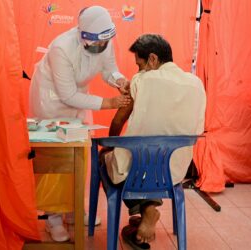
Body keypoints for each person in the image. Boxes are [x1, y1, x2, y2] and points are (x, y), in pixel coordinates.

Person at [29, 6, 131, 242]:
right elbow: (66, 95)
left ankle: (74, 210)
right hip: (52, 101)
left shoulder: (104, 38)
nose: (100, 48)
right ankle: (53, 218)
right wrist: (109, 102)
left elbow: (109, 69)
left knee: (78, 156)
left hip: (79, 99)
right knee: (55, 161)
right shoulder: (60, 48)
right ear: (82, 36)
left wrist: (119, 80)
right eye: (95, 44)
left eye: (103, 44)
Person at [100, 34, 206, 248]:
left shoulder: (142, 81)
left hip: (139, 171)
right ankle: (146, 210)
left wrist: (109, 146)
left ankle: (148, 211)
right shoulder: (195, 84)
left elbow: (119, 120)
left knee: (109, 160)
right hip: (174, 170)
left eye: (140, 65)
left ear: (153, 59)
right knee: (145, 165)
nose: (139, 70)